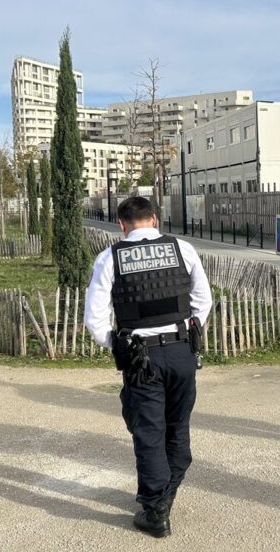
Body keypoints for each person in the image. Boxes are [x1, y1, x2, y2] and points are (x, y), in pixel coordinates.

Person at [84, 196, 212, 538]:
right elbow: (203, 299)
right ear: (154, 219)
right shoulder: (182, 248)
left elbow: (95, 319)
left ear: (122, 224)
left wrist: (119, 344)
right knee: (177, 425)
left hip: (142, 359)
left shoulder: (111, 257)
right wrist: (190, 330)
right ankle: (164, 493)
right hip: (183, 352)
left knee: (148, 432)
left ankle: (156, 511)